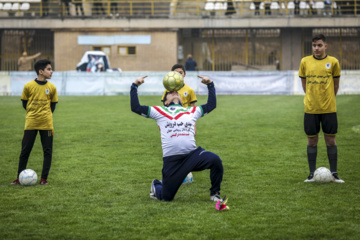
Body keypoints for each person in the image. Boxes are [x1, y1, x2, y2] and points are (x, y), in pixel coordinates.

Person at [130, 75, 224, 201]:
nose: (175, 92)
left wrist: (210, 85)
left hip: (193, 156)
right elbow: (135, 107)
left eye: (177, 92)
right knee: (166, 197)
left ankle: (215, 194)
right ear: (166, 102)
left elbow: (211, 105)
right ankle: (156, 185)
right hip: (172, 162)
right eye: (170, 92)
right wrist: (135, 86)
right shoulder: (159, 111)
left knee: (215, 160)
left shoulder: (191, 111)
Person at [298, 34, 344, 183]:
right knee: (312, 141)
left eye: (319, 45)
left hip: (329, 109)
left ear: (325, 46)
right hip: (311, 109)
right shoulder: (305, 61)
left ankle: (335, 174)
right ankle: (311, 174)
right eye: (314, 45)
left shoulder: (333, 62)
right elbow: (304, 84)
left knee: (331, 141)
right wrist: (312, 98)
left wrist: (328, 99)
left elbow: (336, 85)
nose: (316, 48)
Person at [11, 59, 58, 185]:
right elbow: (24, 103)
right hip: (31, 123)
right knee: (25, 151)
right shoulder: (28, 86)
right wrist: (33, 114)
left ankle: (44, 179)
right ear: (41, 71)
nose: (51, 71)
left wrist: (45, 115)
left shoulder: (52, 87)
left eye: (51, 69)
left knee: (47, 151)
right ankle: (19, 178)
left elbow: (53, 106)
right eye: (49, 69)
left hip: (47, 124)